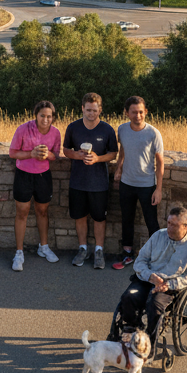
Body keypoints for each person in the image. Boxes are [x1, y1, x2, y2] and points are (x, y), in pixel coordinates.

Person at [115, 206, 187, 351]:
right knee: (128, 297)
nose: (169, 227)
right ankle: (132, 329)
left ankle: (149, 342)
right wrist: (149, 275)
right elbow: (140, 261)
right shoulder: (158, 236)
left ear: (186, 226)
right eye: (168, 223)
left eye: (174, 225)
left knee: (154, 306)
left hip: (170, 286)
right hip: (148, 279)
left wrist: (169, 284)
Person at [62, 92, 118, 269]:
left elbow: (113, 154)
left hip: (99, 183)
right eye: (88, 110)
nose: (91, 113)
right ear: (82, 109)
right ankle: (83, 249)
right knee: (79, 216)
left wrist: (97, 158)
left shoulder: (107, 129)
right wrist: (76, 155)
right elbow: (65, 150)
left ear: (100, 110)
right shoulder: (73, 127)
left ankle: (99, 251)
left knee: (99, 218)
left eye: (94, 110)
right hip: (77, 182)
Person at [9, 100, 62, 271]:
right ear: (36, 115)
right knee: (22, 212)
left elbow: (56, 155)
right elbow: (13, 152)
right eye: (42, 116)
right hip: (23, 175)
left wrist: (48, 155)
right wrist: (30, 154)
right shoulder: (23, 129)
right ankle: (19, 253)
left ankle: (43, 247)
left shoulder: (55, 132)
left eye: (49, 116)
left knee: (42, 211)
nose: (45, 119)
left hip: (43, 176)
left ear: (53, 117)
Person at [112, 95, 164, 271]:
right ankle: (128, 253)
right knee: (127, 219)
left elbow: (160, 162)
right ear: (127, 113)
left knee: (151, 222)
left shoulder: (153, 133)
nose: (138, 115)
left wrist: (158, 189)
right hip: (127, 183)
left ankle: (156, 257)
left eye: (141, 112)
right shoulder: (122, 129)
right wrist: (118, 169)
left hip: (147, 185)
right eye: (134, 112)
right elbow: (123, 150)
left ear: (146, 112)